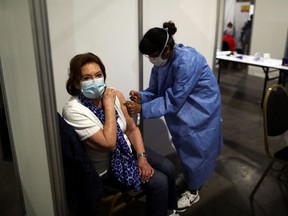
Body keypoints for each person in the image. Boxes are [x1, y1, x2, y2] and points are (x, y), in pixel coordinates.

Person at [62, 52, 179, 216]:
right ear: (76, 83)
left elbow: (132, 129)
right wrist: (109, 105)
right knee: (159, 181)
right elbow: (109, 143)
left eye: (98, 75)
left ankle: (169, 209)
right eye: (87, 78)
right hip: (106, 168)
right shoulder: (73, 110)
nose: (94, 81)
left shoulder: (114, 94)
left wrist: (142, 157)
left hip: (127, 150)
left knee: (169, 166)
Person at [125, 21, 223, 213]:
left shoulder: (187, 61)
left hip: (201, 109)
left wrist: (142, 109)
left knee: (196, 148)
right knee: (185, 147)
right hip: (184, 107)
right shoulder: (161, 63)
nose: (150, 59)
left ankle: (193, 191)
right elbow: (155, 90)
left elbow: (173, 99)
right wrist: (141, 96)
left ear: (167, 49)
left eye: (152, 55)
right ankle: (190, 177)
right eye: (148, 55)